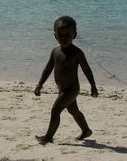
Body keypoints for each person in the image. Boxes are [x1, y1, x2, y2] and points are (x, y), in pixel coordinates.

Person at [34, 16, 98, 145]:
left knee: (55, 110)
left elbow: (87, 70)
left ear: (74, 35)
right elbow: (48, 69)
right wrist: (40, 84)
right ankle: (86, 130)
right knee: (73, 110)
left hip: (72, 89)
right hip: (62, 88)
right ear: (55, 36)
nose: (64, 38)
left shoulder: (77, 53)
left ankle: (48, 137)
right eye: (60, 35)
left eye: (68, 35)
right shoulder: (55, 51)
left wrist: (93, 86)